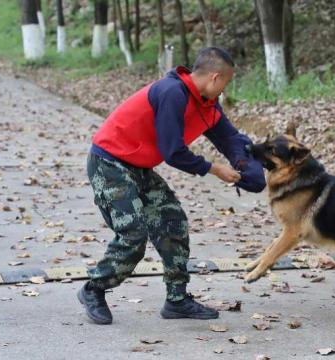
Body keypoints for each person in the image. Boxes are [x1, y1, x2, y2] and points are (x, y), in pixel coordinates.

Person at [77, 47, 266, 324]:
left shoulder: (207, 103)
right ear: (215, 77)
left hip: (138, 166)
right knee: (133, 234)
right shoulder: (172, 93)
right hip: (109, 162)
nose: (226, 88)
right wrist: (213, 169)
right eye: (226, 82)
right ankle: (93, 289)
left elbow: (229, 138)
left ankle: (177, 300)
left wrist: (247, 165)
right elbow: (172, 151)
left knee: (173, 223)